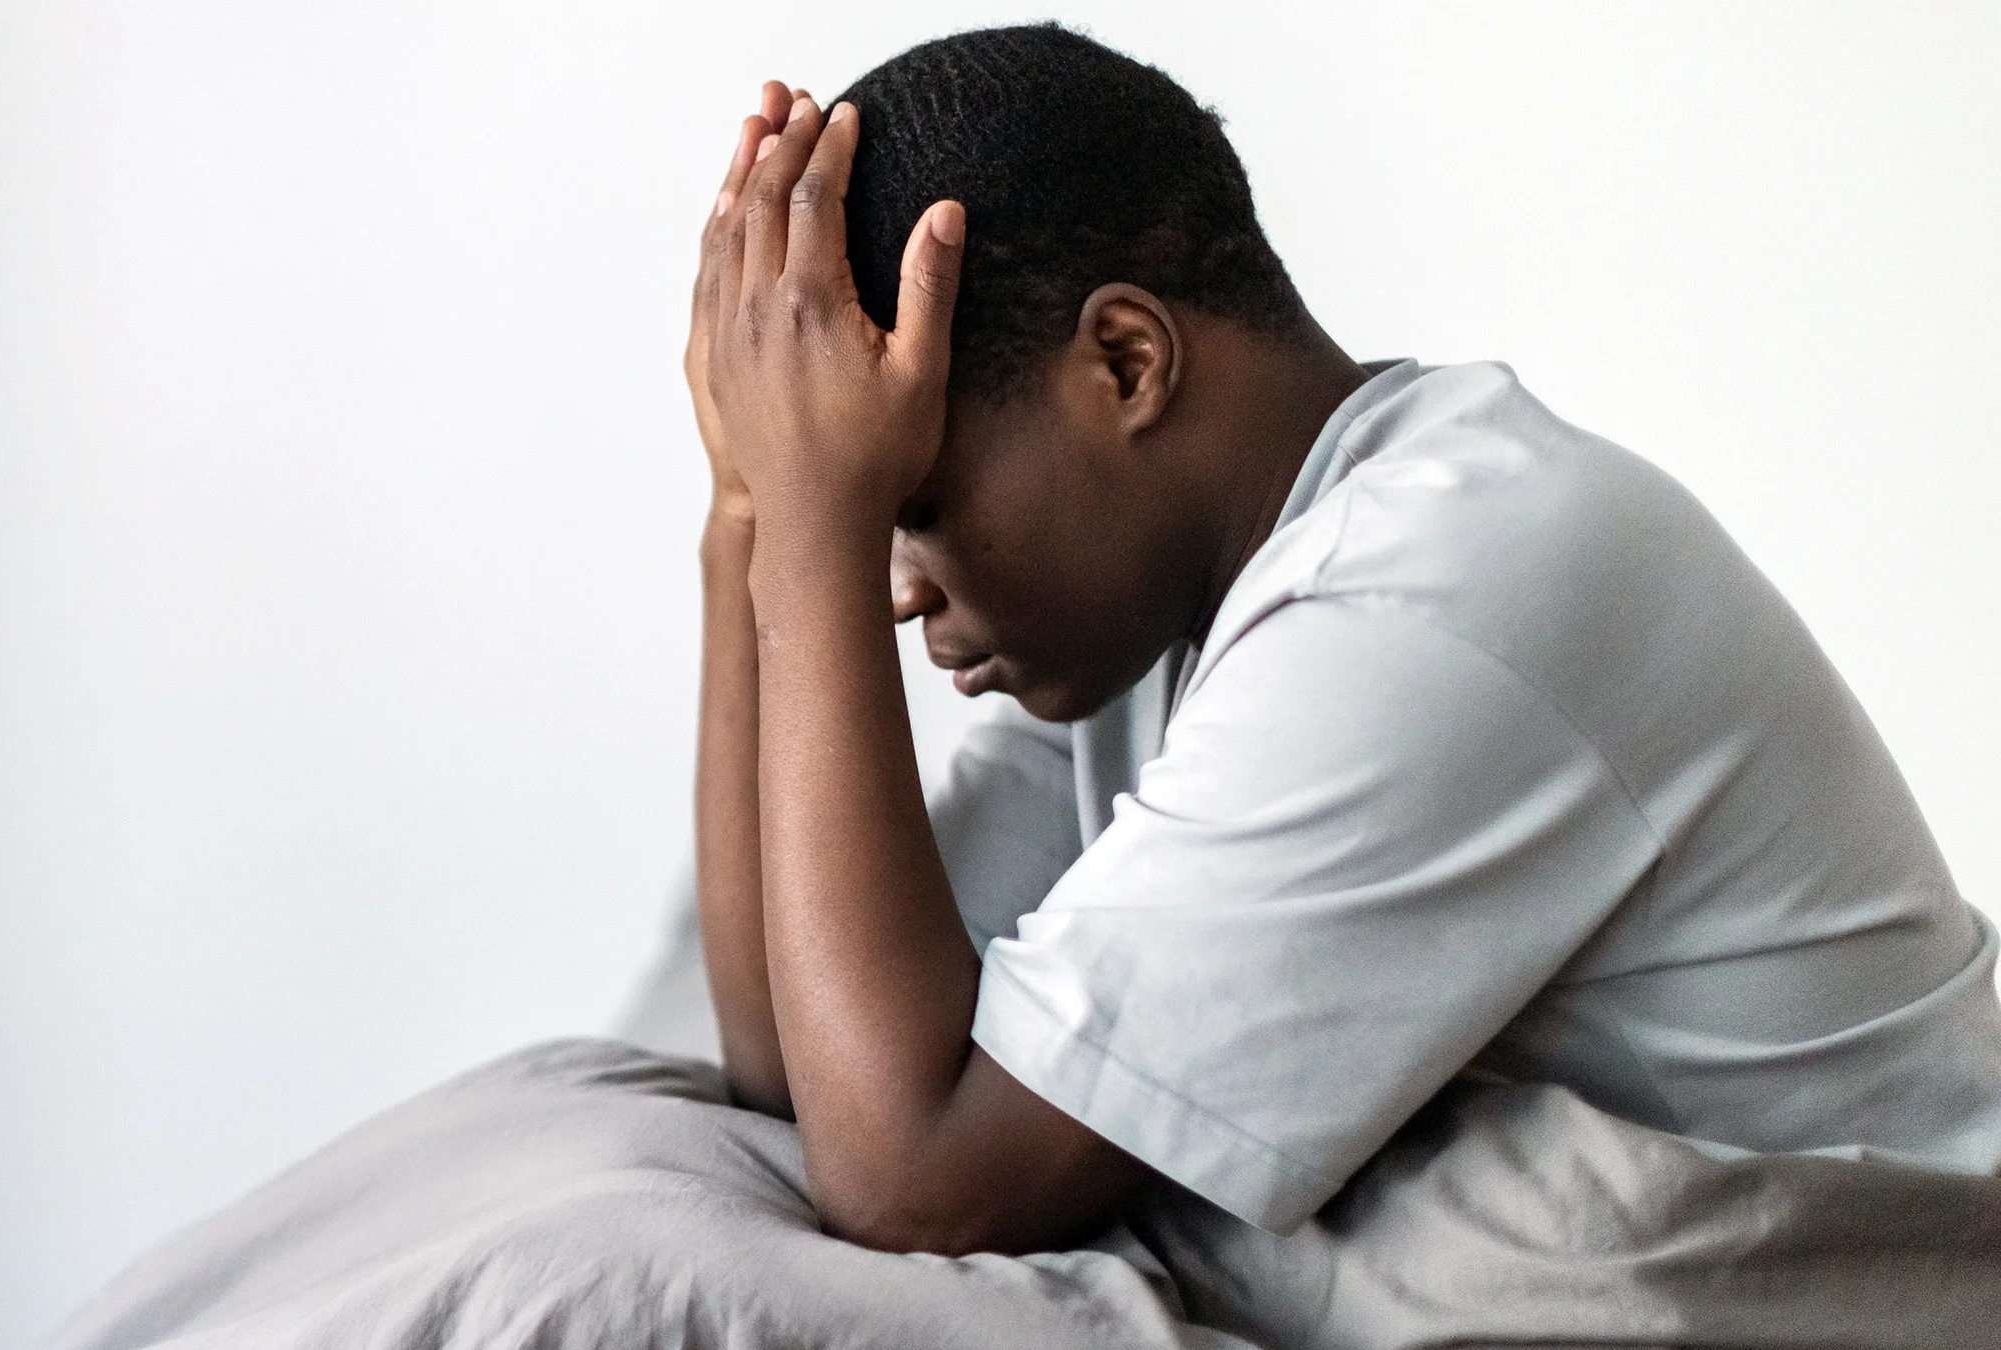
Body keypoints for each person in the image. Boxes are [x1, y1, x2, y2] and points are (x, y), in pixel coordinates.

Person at [680, 23, 2001, 1256]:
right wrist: (752, 505)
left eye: (910, 507)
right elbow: (801, 1066)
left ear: (1128, 364)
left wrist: (812, 525)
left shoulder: (1430, 593)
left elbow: (913, 1177)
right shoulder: (1159, 633)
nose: (891, 588)